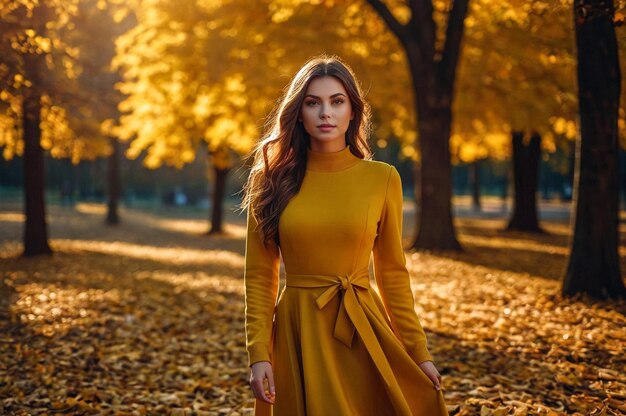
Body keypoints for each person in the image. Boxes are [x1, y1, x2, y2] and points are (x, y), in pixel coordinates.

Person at [238, 54, 449, 416]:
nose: (325, 113)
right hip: (297, 332)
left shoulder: (382, 179)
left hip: (362, 328)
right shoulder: (271, 179)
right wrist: (259, 354)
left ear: (353, 111)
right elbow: (259, 277)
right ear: (298, 113)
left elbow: (393, 274)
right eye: (313, 103)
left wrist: (419, 353)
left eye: (337, 102)